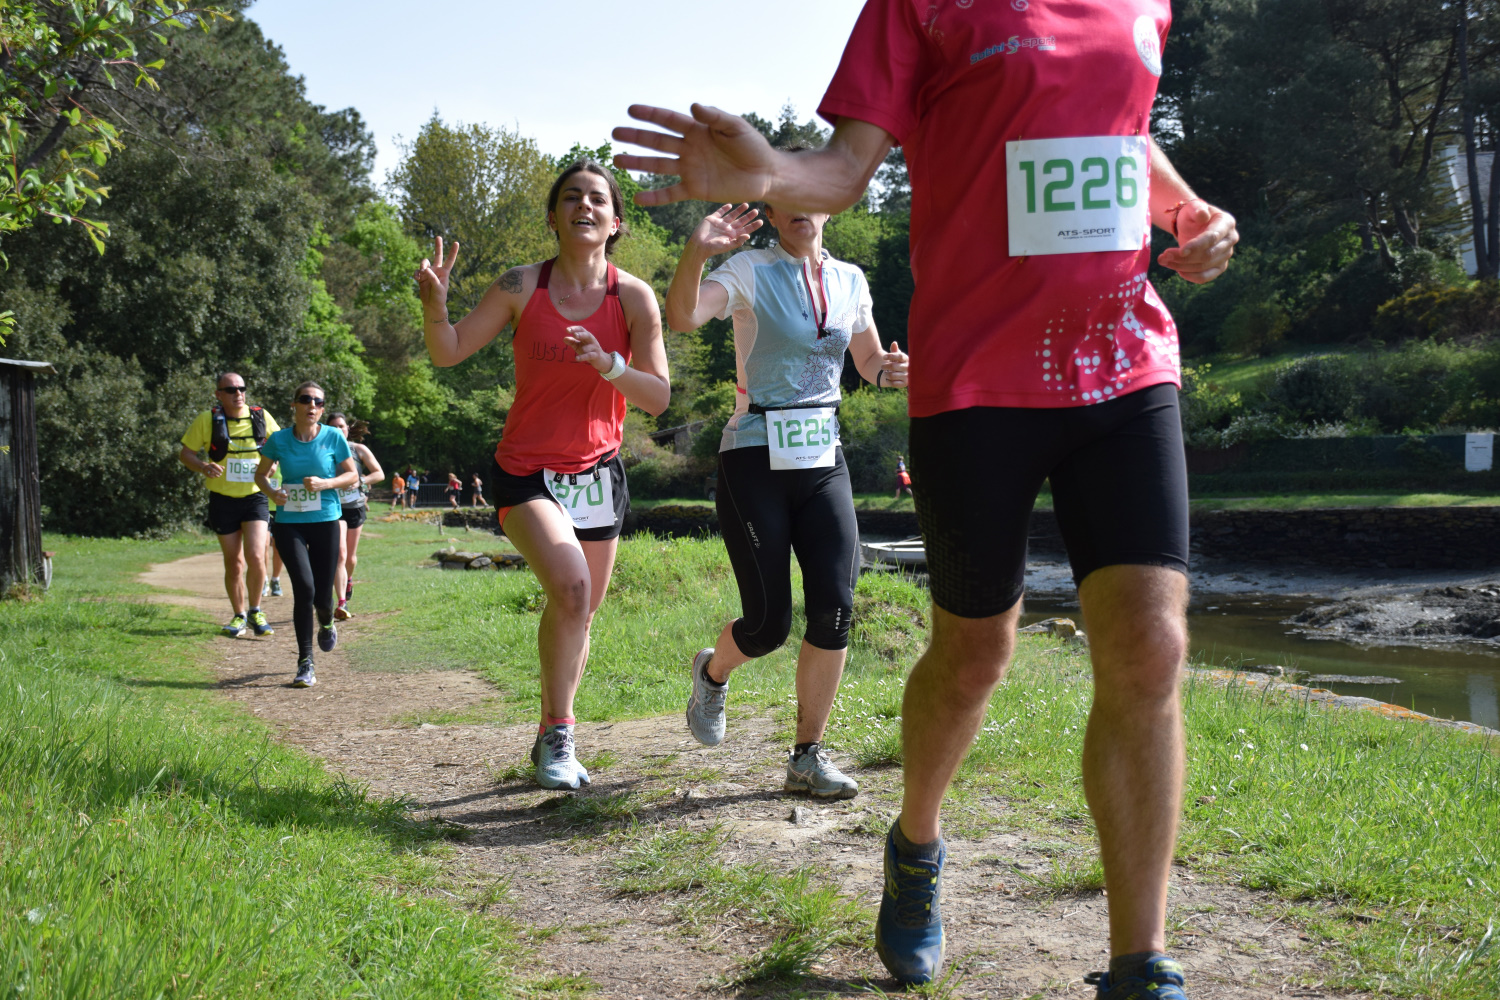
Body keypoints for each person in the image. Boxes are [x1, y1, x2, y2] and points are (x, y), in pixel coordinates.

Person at [613, 2, 1238, 992]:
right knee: (973, 654)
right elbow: (842, 171)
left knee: (1152, 646)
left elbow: (1118, 129)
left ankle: (1139, 962)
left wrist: (1189, 210)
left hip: (1124, 360)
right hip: (977, 381)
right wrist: (766, 171)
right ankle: (916, 843)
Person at [417, 159, 670, 790]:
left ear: (616, 221)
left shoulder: (633, 297)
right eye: (571, 197)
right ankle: (560, 736)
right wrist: (435, 307)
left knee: (580, 610)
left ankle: (549, 734)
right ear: (553, 216)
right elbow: (448, 351)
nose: (585, 206)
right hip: (527, 471)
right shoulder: (519, 285)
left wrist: (609, 364)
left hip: (599, 474)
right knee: (573, 589)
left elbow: (658, 397)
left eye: (598, 199)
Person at [667, 199, 908, 800]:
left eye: (812, 198)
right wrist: (697, 251)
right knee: (767, 625)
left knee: (835, 608)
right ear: (773, 214)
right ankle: (713, 672)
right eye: (788, 202)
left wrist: (889, 371)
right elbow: (684, 317)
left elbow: (867, 360)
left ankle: (806, 756)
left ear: (829, 208)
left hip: (823, 455)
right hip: (754, 454)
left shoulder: (850, 279)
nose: (802, 210)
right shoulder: (749, 270)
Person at [255, 382, 359, 688]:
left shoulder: (333, 436)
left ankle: (326, 622)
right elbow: (260, 475)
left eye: (318, 402)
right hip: (290, 522)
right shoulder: (279, 439)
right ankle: (305, 662)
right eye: (306, 400)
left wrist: (326, 484)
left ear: (322, 409)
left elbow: (352, 474)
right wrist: (272, 492)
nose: (312, 405)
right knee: (304, 588)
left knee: (322, 598)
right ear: (295, 405)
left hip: (326, 521)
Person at [178, 372, 281, 638]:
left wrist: (272, 466)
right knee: (234, 562)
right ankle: (239, 615)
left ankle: (256, 611)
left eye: (241, 389)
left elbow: (281, 446)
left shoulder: (261, 416)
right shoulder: (207, 420)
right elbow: (186, 454)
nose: (238, 394)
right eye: (231, 390)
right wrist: (203, 466)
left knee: (256, 555)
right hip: (222, 499)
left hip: (255, 497)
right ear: (218, 394)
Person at [327, 412, 385, 620]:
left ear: (347, 429)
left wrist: (361, 480)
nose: (338, 430)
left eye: (341, 426)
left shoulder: (358, 449)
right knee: (340, 555)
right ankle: (341, 602)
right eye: (333, 427)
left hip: (355, 507)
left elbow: (379, 474)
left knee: (350, 558)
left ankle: (348, 579)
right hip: (333, 508)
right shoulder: (322, 450)